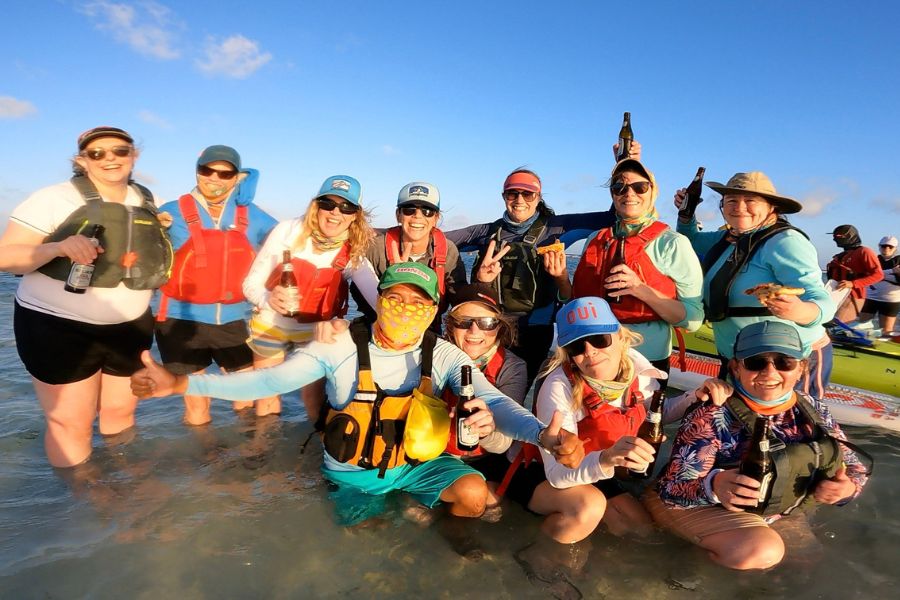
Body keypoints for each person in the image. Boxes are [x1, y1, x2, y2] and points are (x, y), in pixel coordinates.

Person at [132, 263, 585, 526]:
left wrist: (542, 434)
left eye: (418, 304)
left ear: (432, 311)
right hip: (354, 474)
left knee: (473, 494)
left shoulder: (442, 353)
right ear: (379, 300)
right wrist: (185, 383)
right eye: (394, 299)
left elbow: (496, 401)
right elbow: (269, 381)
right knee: (365, 536)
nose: (405, 312)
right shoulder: (340, 344)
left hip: (417, 467)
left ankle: (443, 530)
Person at [0, 126, 172, 468]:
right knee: (71, 423)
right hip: (57, 327)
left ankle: (124, 474)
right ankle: (83, 498)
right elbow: (6, 257)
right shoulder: (53, 198)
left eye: (120, 151)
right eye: (97, 153)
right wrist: (58, 247)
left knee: (120, 412)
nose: (110, 158)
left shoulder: (148, 202)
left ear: (133, 156)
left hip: (130, 327)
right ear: (82, 160)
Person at [646, 321, 870, 570]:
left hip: (771, 511)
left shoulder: (812, 408)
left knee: (808, 562)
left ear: (801, 369)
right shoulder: (713, 413)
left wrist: (847, 489)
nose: (770, 372)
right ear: (736, 367)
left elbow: (855, 468)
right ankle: (685, 573)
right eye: (756, 362)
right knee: (761, 552)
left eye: (784, 362)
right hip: (692, 504)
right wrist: (713, 485)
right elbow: (672, 490)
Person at [674, 171, 836, 401]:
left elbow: (822, 301)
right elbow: (690, 241)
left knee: (790, 434)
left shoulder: (785, 242)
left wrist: (800, 310)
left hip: (785, 363)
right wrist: (686, 214)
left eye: (750, 201)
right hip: (741, 360)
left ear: (772, 207)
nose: (740, 207)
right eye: (731, 201)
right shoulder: (730, 239)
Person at [154, 145, 278, 425]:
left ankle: (248, 459)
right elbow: (142, 253)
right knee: (196, 406)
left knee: (245, 399)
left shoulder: (253, 214)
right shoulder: (170, 211)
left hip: (236, 320)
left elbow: (287, 245)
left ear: (237, 177)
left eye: (225, 173)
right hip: (179, 320)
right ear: (197, 171)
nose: (215, 178)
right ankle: (205, 459)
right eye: (207, 170)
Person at [571, 158, 704, 387]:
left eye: (639, 187)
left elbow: (693, 320)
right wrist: (560, 279)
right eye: (619, 187)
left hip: (646, 358)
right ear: (613, 195)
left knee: (644, 422)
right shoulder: (596, 239)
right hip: (594, 356)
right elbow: (578, 300)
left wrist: (639, 289)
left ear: (652, 192)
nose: (629, 193)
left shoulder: (673, 243)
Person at [350, 181, 467, 332]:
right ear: (398, 215)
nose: (417, 216)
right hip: (382, 326)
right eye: (409, 210)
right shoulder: (375, 248)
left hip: (428, 329)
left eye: (427, 211)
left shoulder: (448, 250)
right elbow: (358, 292)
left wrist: (482, 281)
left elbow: (458, 296)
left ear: (436, 218)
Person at [826, 225, 883, 323]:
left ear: (850, 236)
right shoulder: (840, 256)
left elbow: (878, 275)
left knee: (838, 326)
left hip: (852, 295)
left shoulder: (864, 252)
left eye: (839, 236)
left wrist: (853, 283)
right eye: (835, 237)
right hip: (835, 295)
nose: (835, 239)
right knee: (825, 325)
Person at [858, 235, 900, 337]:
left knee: (886, 331)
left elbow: (897, 280)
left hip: (890, 300)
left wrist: (879, 276)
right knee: (862, 327)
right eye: (884, 246)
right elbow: (865, 275)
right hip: (870, 298)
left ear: (895, 248)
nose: (886, 249)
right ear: (879, 246)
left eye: (890, 247)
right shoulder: (873, 259)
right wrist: (891, 272)